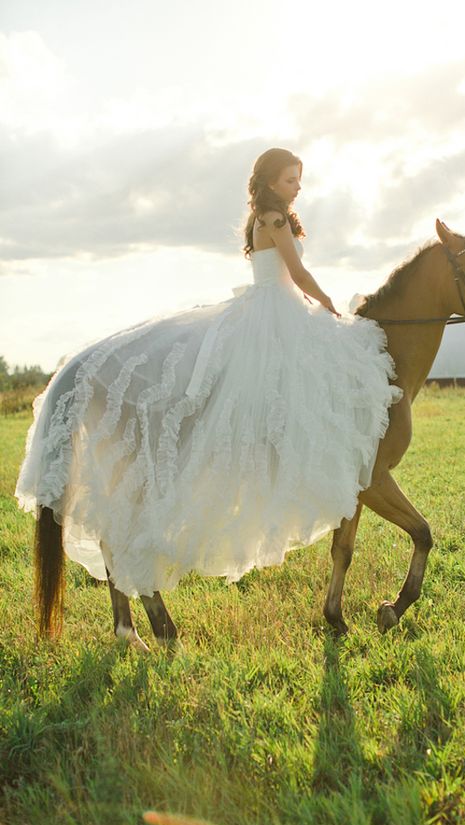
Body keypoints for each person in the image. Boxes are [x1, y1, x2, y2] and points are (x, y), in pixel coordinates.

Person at [15, 147, 402, 597]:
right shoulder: (273, 220)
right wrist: (330, 304)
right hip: (274, 312)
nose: (299, 187)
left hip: (272, 309)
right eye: (291, 180)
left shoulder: (268, 217)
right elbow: (295, 273)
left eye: (299, 180)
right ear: (272, 182)